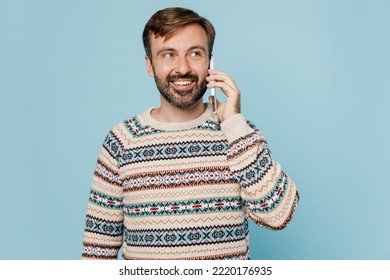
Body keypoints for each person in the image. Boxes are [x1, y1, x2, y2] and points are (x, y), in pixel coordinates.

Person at [81, 7, 299, 260]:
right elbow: (96, 253)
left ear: (210, 62)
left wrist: (234, 123)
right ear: (150, 65)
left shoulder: (238, 135)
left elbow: (279, 215)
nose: (182, 68)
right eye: (168, 55)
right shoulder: (121, 141)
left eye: (195, 53)